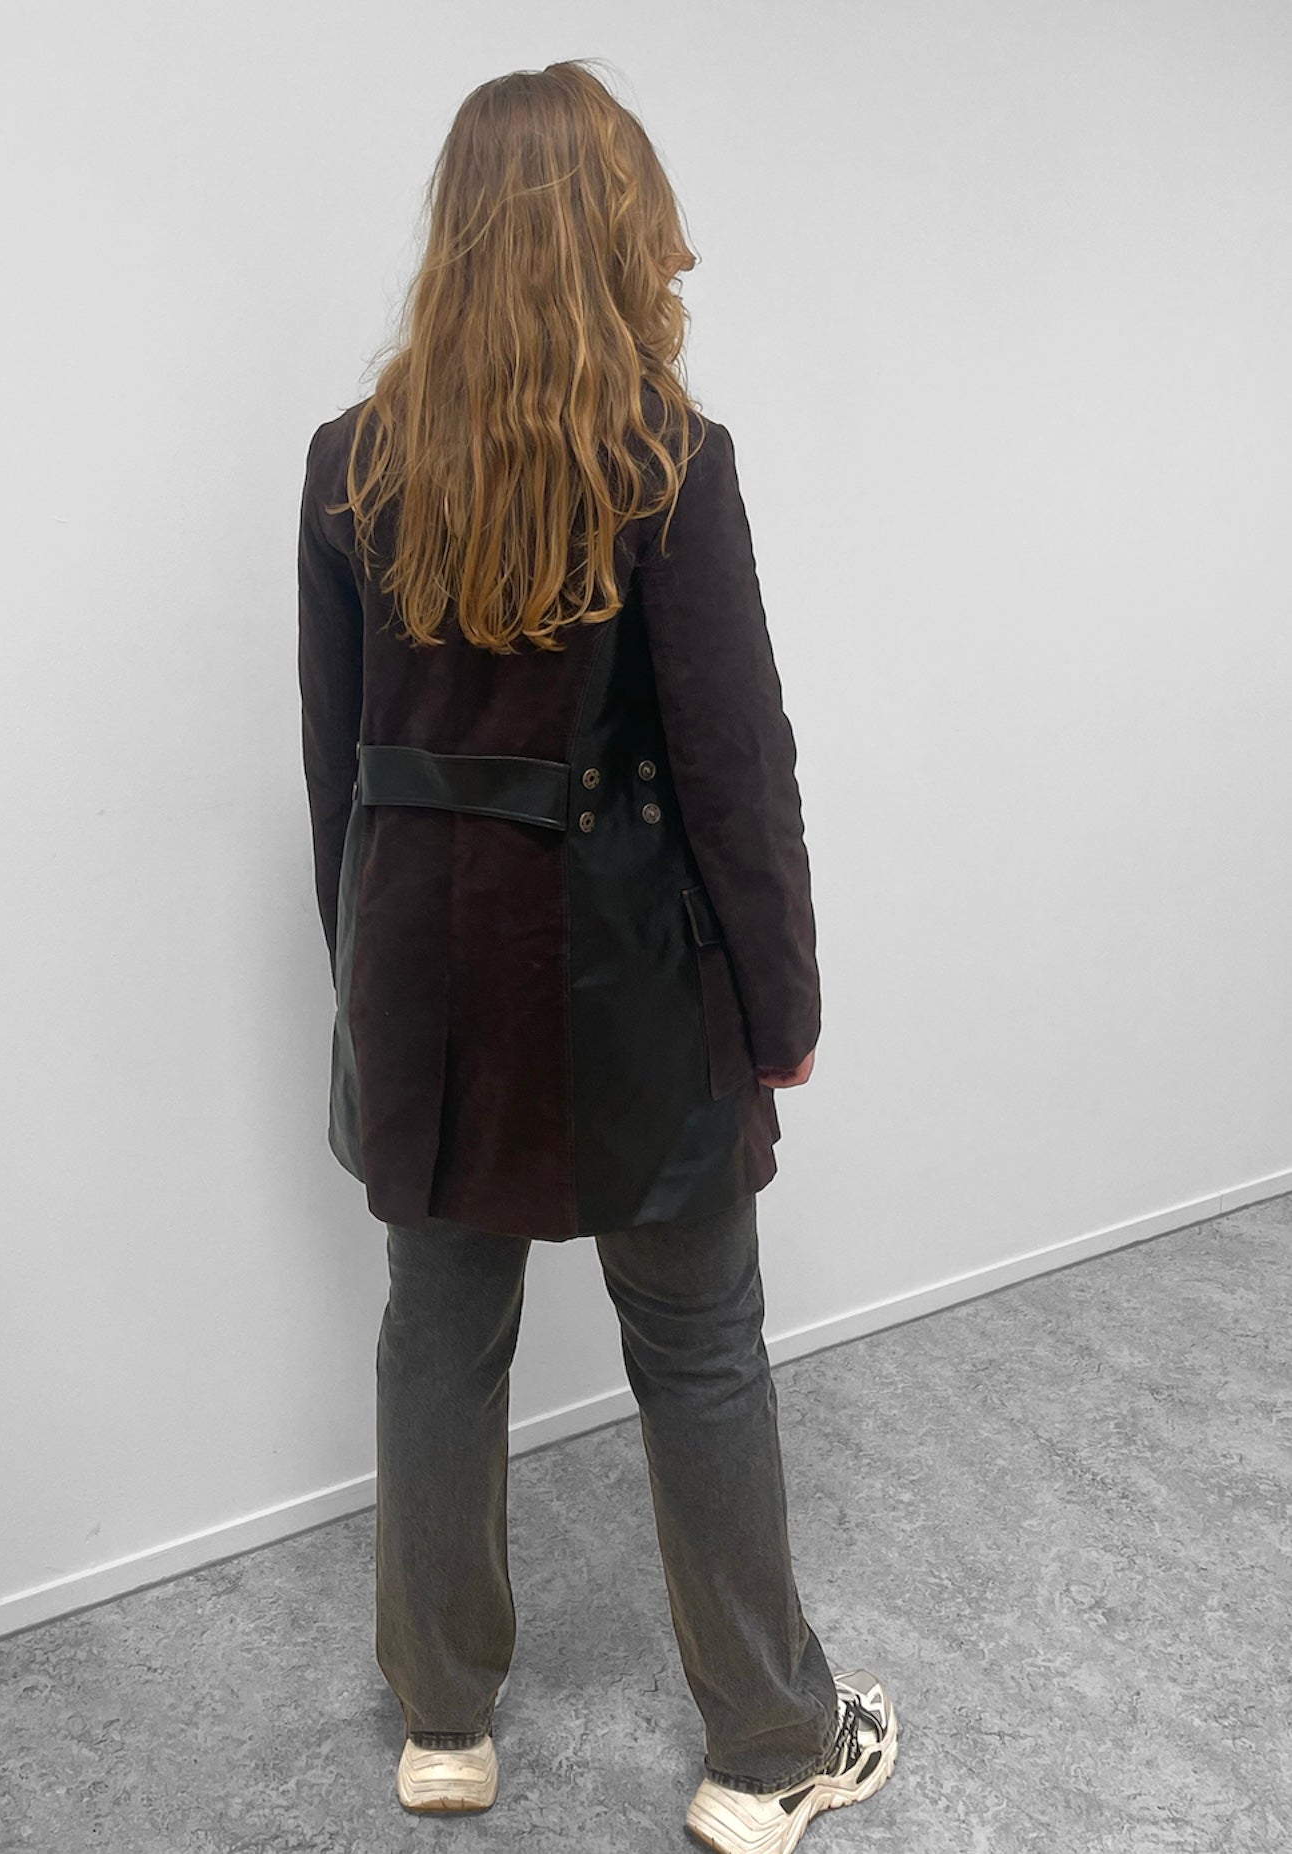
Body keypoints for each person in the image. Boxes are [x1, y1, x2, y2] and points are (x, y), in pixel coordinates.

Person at [296, 57, 898, 1854]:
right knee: (699, 1347)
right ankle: (766, 1750)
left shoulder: (349, 462)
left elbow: (334, 770)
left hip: (423, 991)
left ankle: (443, 1725)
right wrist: (781, 1003)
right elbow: (734, 763)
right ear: (609, 233)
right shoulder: (669, 463)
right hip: (634, 983)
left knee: (435, 1342)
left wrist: (364, 978)